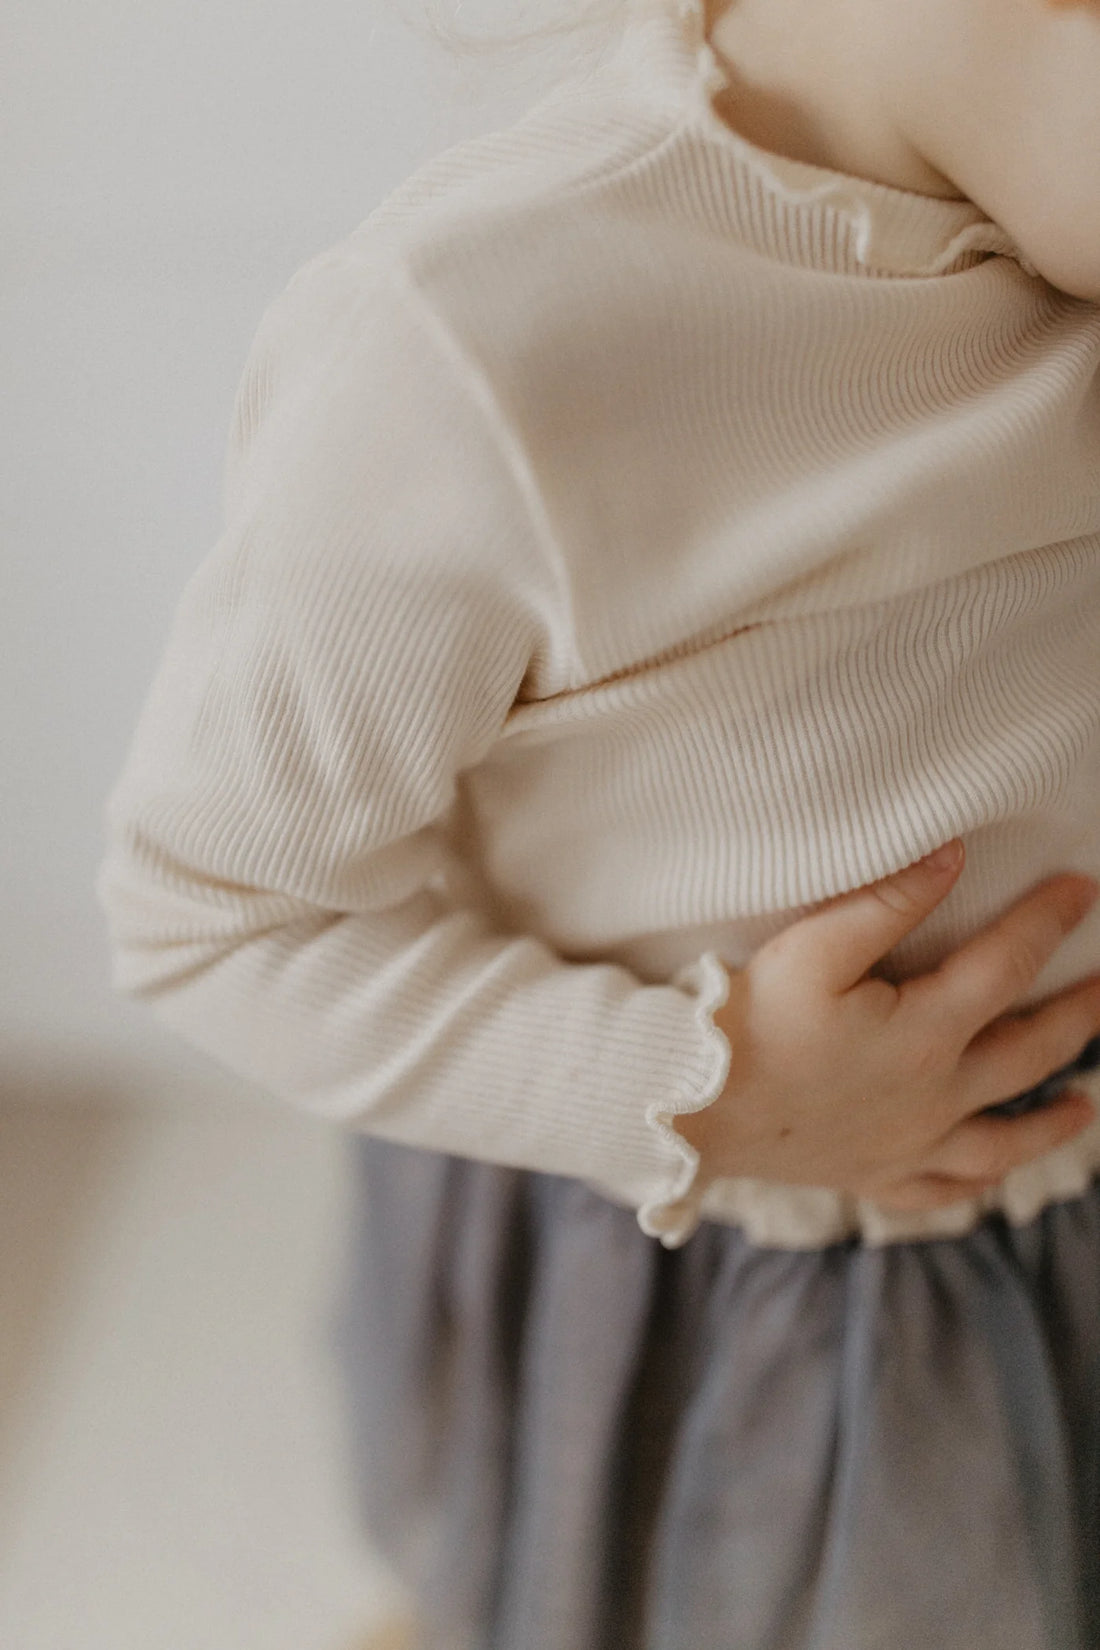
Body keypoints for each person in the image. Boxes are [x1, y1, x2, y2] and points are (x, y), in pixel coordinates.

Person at [94, 0, 1100, 1643]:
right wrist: (707, 1093)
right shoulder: (474, 349)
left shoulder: (1055, 200)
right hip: (734, 1265)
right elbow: (211, 910)